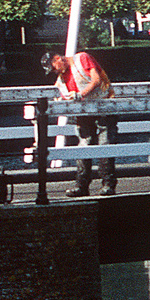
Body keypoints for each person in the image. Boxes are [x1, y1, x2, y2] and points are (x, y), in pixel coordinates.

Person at [46, 48, 117, 197]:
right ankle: (82, 185)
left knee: (105, 144)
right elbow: (60, 94)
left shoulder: (82, 58)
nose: (55, 72)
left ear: (58, 58)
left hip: (103, 106)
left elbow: (96, 80)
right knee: (84, 145)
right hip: (84, 112)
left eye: (54, 68)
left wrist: (80, 95)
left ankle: (108, 184)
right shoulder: (61, 79)